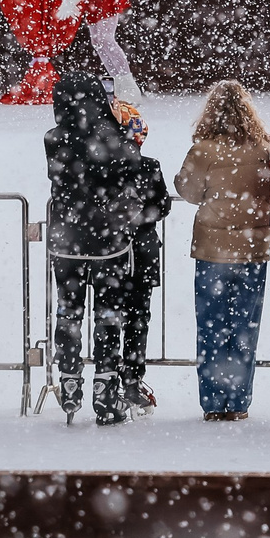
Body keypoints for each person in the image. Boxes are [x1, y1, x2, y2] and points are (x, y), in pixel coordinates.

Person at [44, 73, 167, 425]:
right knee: (108, 315)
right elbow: (129, 173)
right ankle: (105, 388)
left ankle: (69, 380)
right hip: (108, 242)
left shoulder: (53, 139)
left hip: (66, 241)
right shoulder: (113, 141)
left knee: (68, 313)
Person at [175, 80, 270, 421]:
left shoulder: (203, 151)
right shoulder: (262, 147)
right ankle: (238, 400)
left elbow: (188, 191)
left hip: (212, 249)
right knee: (245, 326)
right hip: (252, 248)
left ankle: (214, 401)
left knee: (211, 326)